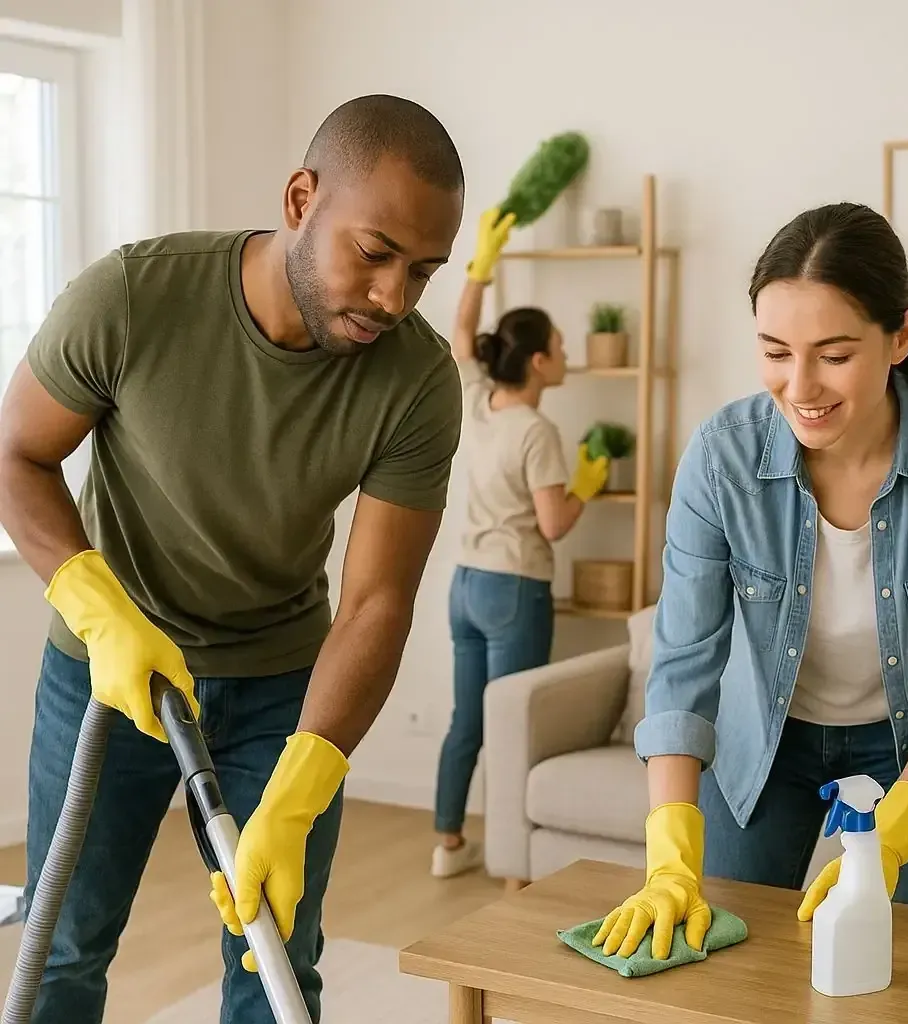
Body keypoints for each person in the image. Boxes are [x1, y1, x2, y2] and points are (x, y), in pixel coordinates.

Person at [0, 93, 467, 1022]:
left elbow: (377, 600)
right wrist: (98, 609)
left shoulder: (416, 380)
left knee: (276, 963)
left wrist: (304, 785)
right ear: (301, 199)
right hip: (110, 673)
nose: (393, 298)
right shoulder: (136, 296)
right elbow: (17, 452)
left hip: (277, 684)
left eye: (423, 272)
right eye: (375, 254)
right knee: (63, 949)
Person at [593, 201, 908, 961]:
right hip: (763, 743)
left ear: (901, 336)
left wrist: (889, 840)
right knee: (727, 973)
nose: (800, 386)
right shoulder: (721, 458)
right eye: (774, 351)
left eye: (833, 354)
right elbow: (685, 662)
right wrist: (666, 857)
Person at [430, 209, 610, 877]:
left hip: (466, 585)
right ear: (537, 361)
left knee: (466, 721)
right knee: (514, 723)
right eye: (560, 348)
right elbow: (555, 523)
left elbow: (458, 333)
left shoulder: (477, 403)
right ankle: (510, 856)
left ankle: (446, 843)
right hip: (513, 589)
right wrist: (589, 484)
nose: (567, 356)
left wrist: (480, 267)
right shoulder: (536, 429)